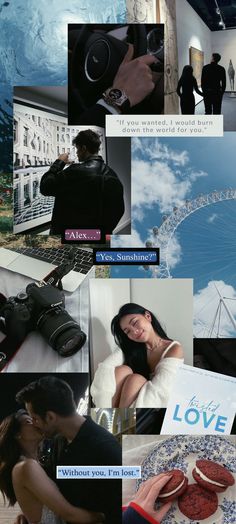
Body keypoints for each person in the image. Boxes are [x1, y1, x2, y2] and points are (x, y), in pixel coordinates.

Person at [15, 377, 122, 524]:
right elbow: (52, 483)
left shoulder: (105, 450)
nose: (33, 424)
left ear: (50, 417)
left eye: (34, 418)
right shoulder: (59, 440)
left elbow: (118, 511)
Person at [0, 409, 104, 524]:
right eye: (29, 421)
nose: (35, 423)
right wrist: (104, 516)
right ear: (17, 434)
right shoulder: (26, 466)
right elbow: (69, 514)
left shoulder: (35, 464)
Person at [91, 303, 184, 408]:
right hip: (125, 411)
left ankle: (122, 423)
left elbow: (159, 393)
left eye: (135, 322)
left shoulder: (173, 349)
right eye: (128, 331)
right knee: (122, 371)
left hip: (155, 408)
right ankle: (105, 420)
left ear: (148, 316)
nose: (134, 331)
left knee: (135, 380)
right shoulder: (131, 347)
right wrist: (103, 408)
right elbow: (105, 368)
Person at [40, 129, 124, 237]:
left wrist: (59, 162)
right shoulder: (112, 174)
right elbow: (118, 210)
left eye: (77, 149)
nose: (76, 153)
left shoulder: (74, 171)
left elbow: (45, 187)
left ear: (84, 148)